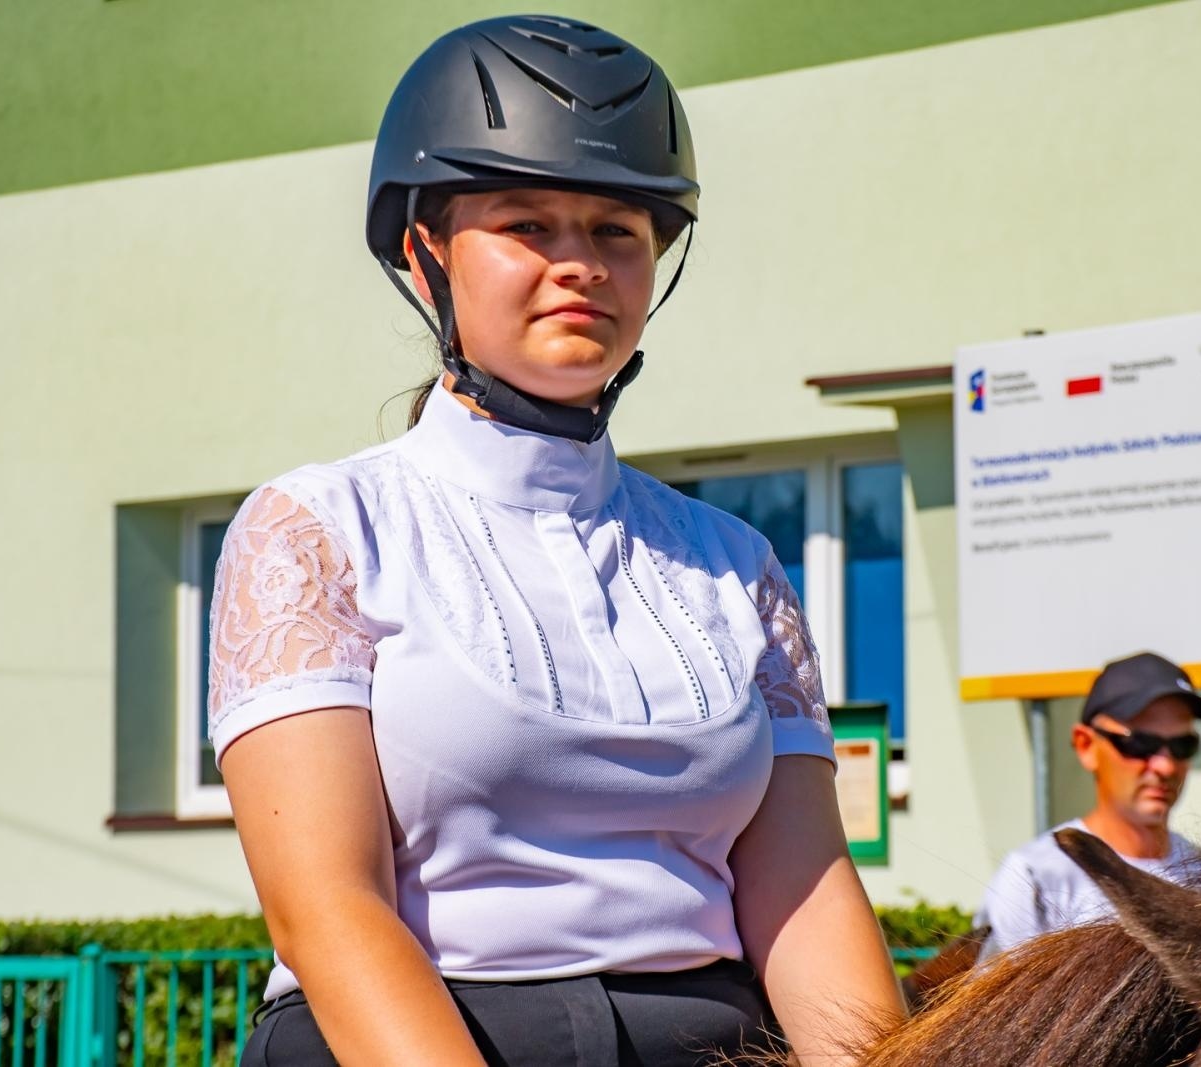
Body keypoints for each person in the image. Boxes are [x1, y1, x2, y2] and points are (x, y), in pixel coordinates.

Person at [208, 15, 904, 1067]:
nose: (579, 263)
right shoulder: (318, 528)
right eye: (527, 225)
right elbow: (329, 911)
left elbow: (804, 896)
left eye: (616, 230)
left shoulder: (735, 563)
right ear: (422, 250)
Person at [974, 651, 1201, 964]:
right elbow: (1002, 1009)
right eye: (1140, 743)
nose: (1165, 766)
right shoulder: (1035, 878)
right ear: (1086, 746)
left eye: (1183, 746)